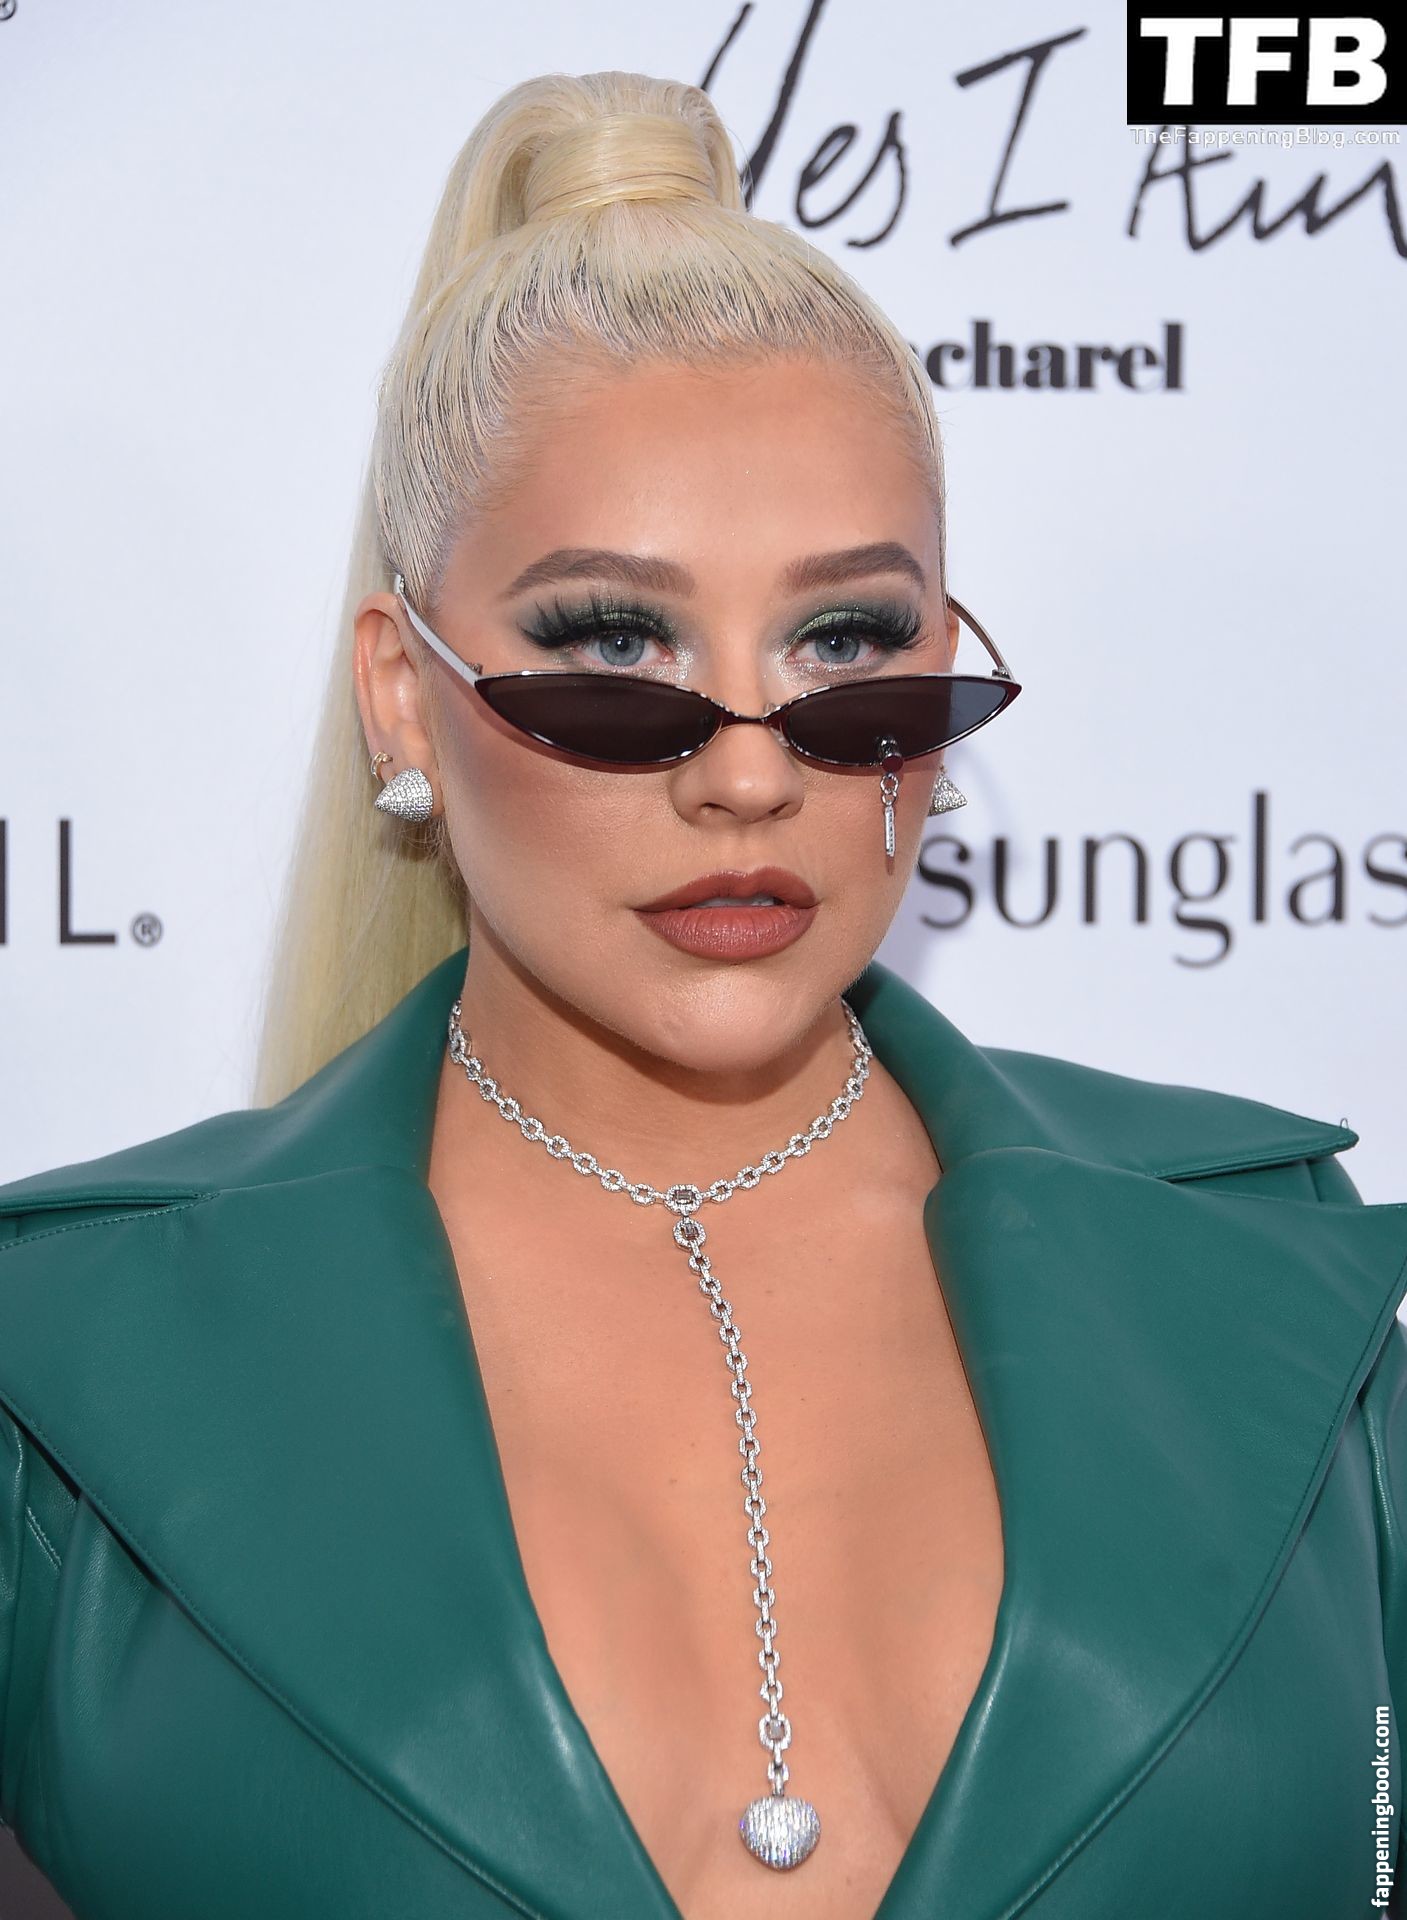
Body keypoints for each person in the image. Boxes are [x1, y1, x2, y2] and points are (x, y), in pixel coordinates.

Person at [1, 67, 1404, 1920]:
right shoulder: (59, 1371)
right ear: (405, 698)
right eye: (614, 647)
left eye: (846, 644)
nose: (749, 774)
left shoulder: (1280, 1276)